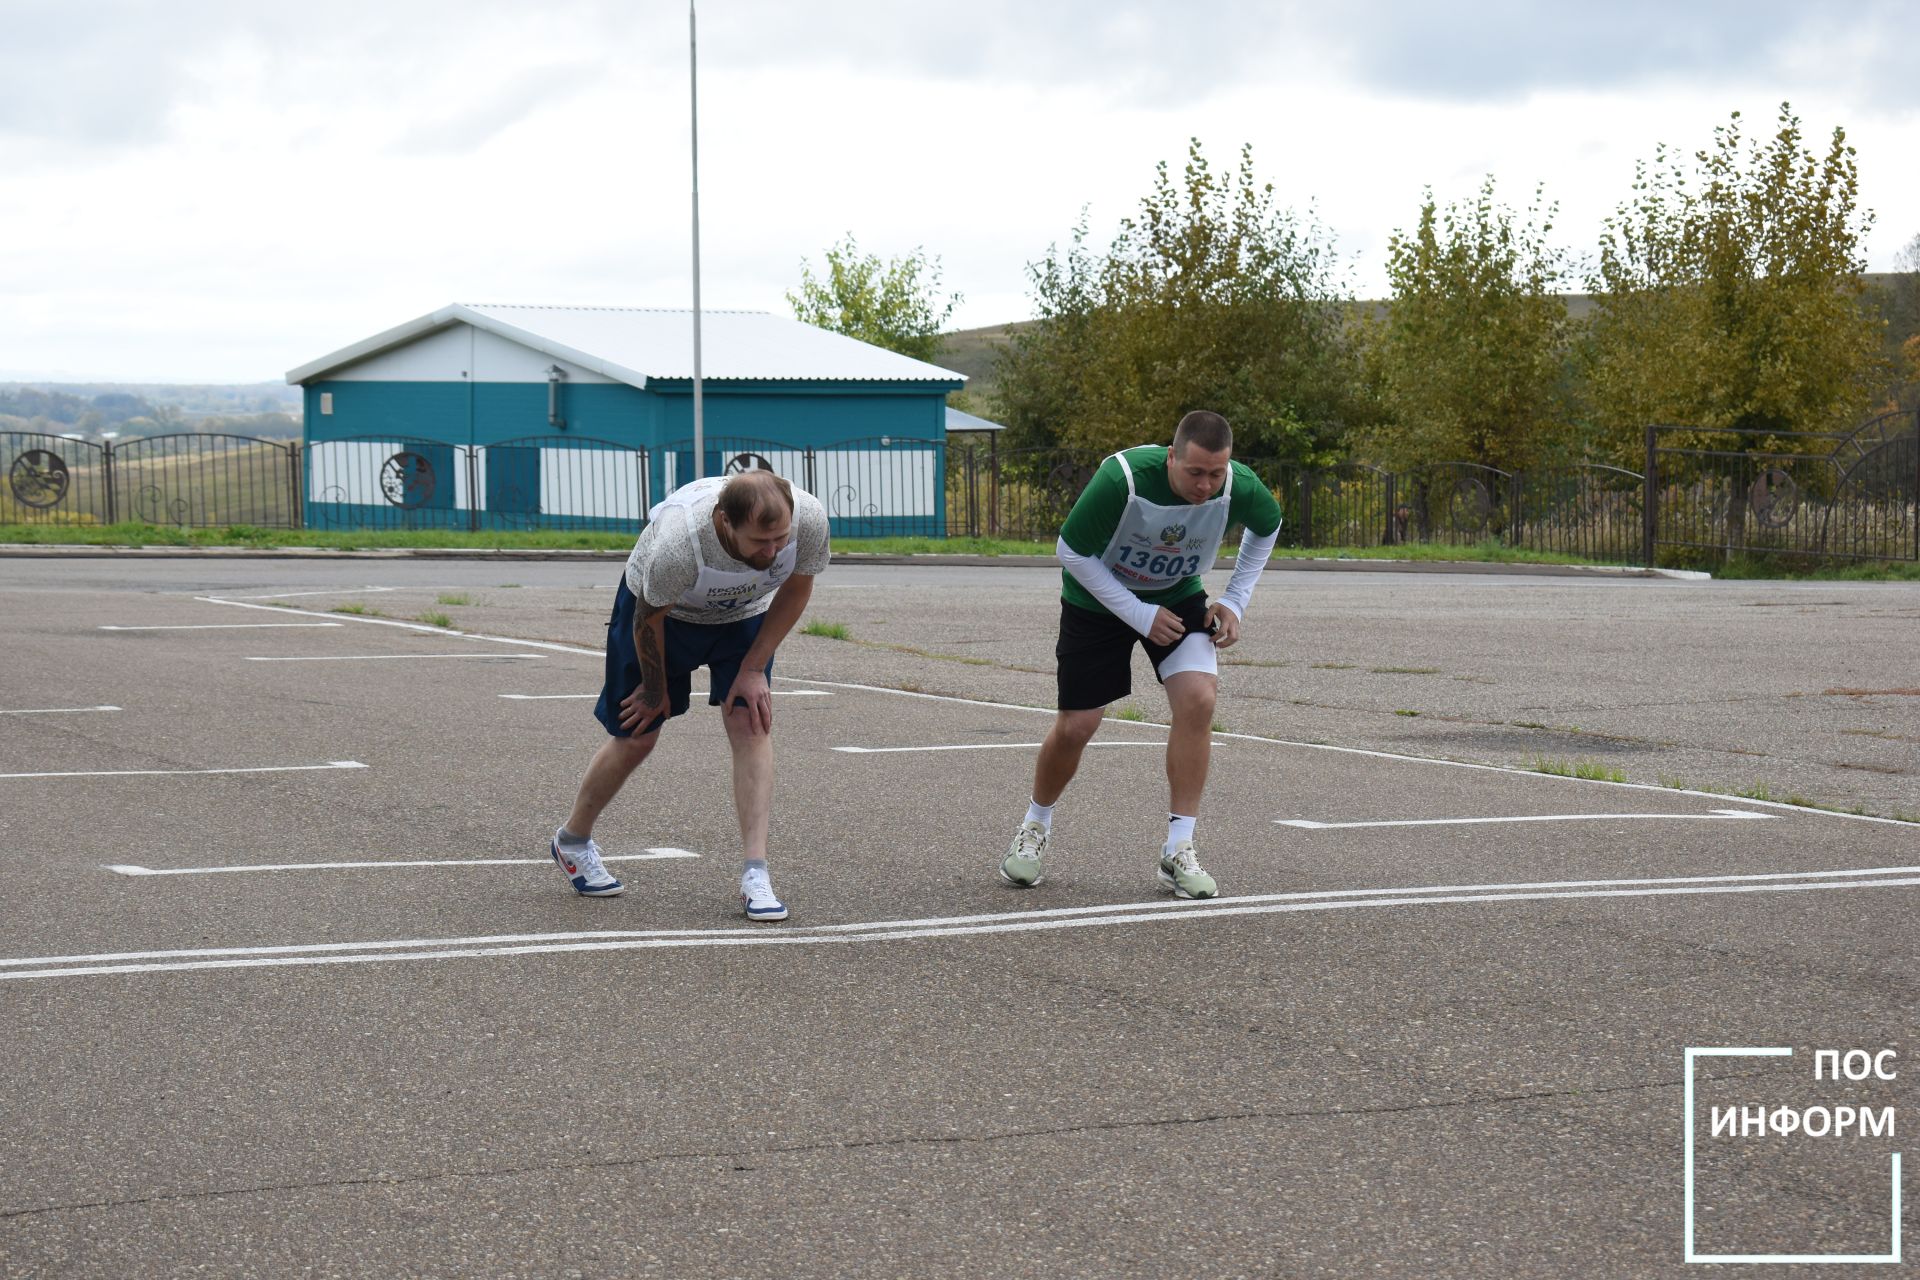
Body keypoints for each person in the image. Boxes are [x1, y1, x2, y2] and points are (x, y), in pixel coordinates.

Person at [999, 410, 1281, 899]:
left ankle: (1179, 848)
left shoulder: (1240, 486)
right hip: (1099, 599)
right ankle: (1034, 827)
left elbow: (1268, 527)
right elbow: (1071, 550)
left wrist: (1234, 600)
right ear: (1171, 456)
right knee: (1078, 726)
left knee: (1199, 699)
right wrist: (1136, 612)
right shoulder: (1122, 478)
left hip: (1175, 594)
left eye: (1216, 473)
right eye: (1194, 472)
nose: (1205, 486)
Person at [551, 468, 830, 920]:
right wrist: (654, 690)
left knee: (750, 718)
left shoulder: (809, 518)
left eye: (780, 538)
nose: (774, 549)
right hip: (663, 614)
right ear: (724, 521)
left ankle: (755, 873)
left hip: (743, 614)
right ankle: (573, 841)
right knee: (638, 734)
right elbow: (648, 619)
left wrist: (754, 667)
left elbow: (798, 586)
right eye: (761, 542)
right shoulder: (681, 542)